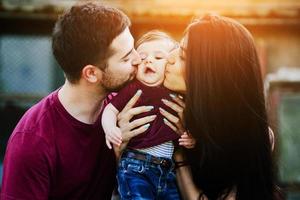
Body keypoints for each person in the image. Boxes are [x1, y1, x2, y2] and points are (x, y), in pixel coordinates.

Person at [0, 2, 155, 200]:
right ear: (91, 73)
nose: (138, 59)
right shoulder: (33, 140)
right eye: (126, 58)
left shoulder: (125, 111)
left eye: (134, 48)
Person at [159, 14, 282, 199]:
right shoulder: (159, 109)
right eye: (177, 48)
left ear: (211, 74)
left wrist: (179, 154)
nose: (169, 58)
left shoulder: (250, 138)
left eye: (183, 56)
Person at [102, 30, 196, 200]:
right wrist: (110, 128)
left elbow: (191, 123)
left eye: (159, 58)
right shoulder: (133, 89)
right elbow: (110, 109)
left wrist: (190, 137)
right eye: (142, 57)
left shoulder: (178, 95)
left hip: (167, 169)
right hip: (135, 164)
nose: (148, 60)